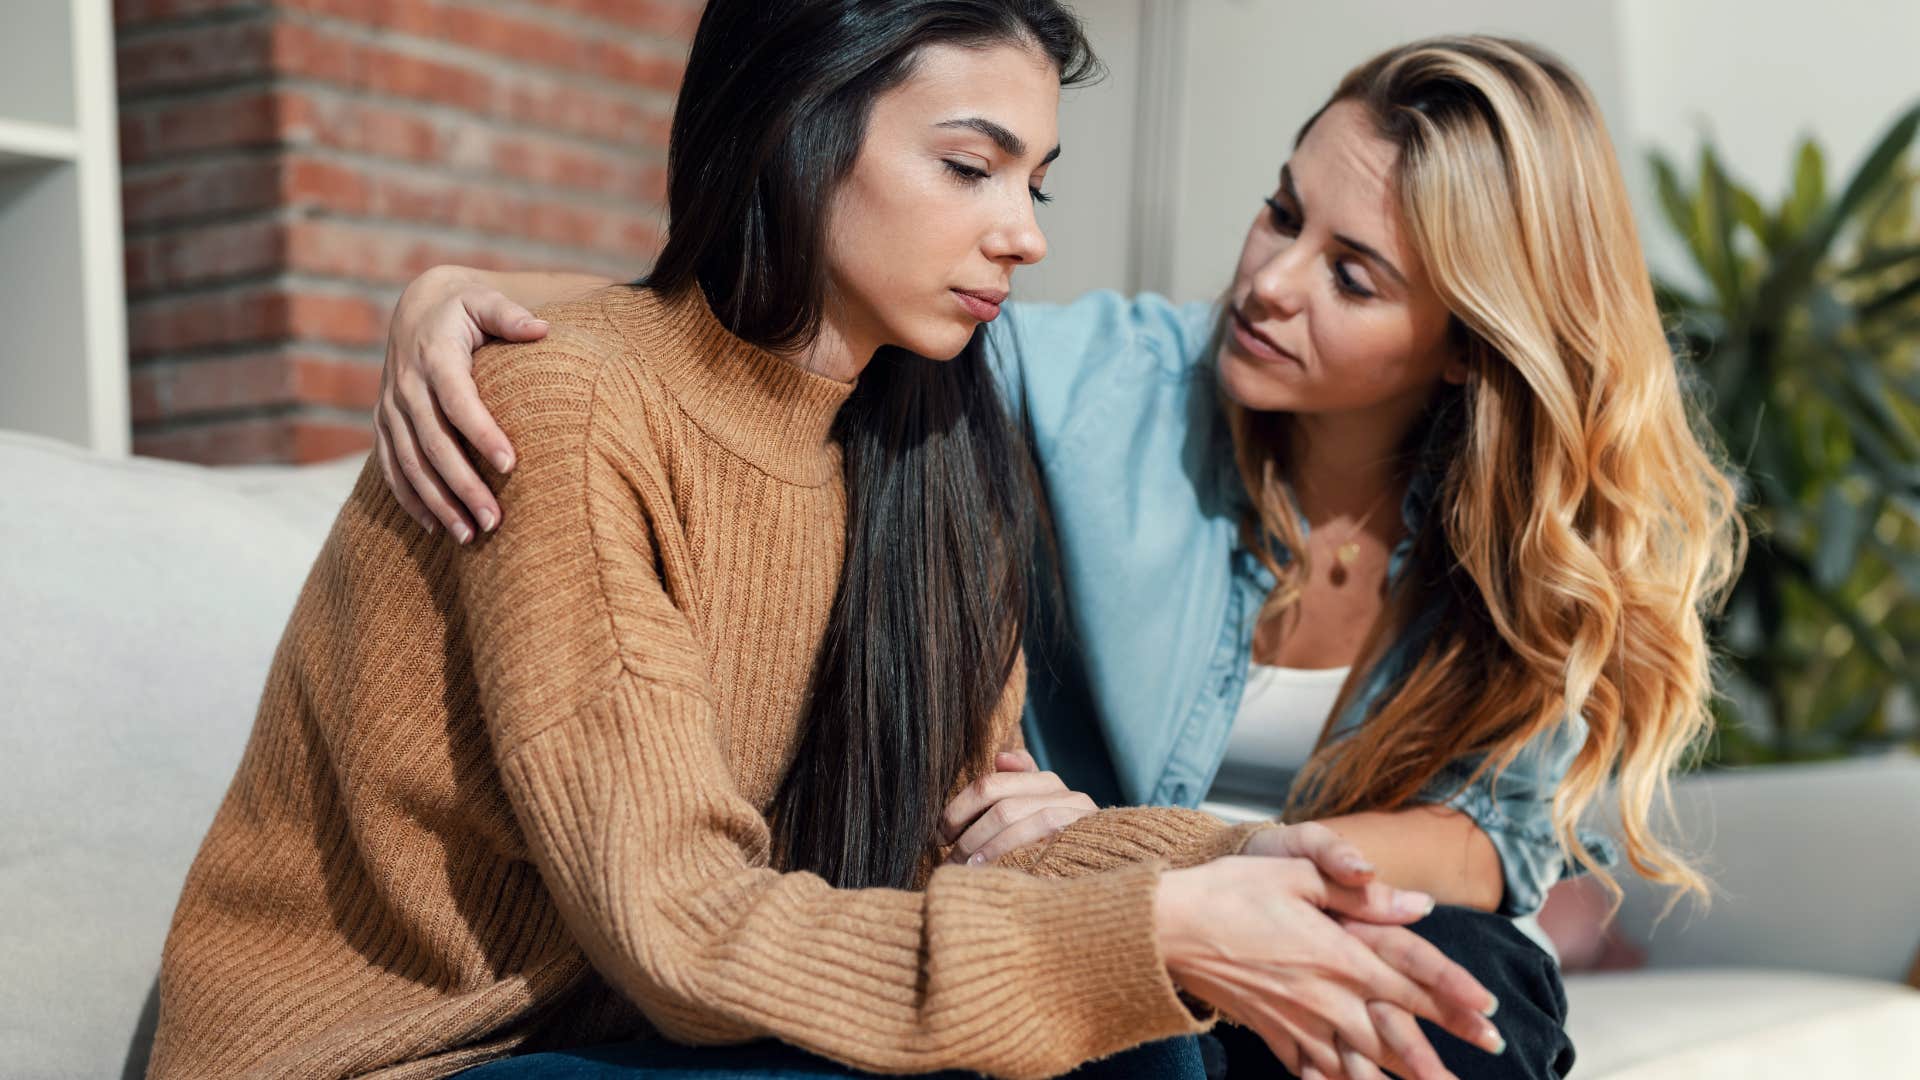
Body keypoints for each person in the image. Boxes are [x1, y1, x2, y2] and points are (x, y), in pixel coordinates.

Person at [149, 4, 1502, 1079]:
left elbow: (970, 832)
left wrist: (1233, 867)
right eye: (970, 167)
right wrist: (1148, 928)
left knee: (1154, 1038)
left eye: (1033, 178)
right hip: (409, 1058)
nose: (1025, 234)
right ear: (800, 122)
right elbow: (676, 927)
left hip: (622, 1039)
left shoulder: (931, 446)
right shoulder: (560, 405)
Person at [374, 33, 1745, 1080]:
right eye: (1282, 213)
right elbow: (792, 332)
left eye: (1353, 274)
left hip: (1159, 879)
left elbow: (1493, 843)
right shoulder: (1107, 385)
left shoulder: (1522, 548)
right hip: (1055, 910)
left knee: (1477, 985)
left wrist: (1237, 863)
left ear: (1465, 340)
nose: (1269, 280)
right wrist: (466, 297)